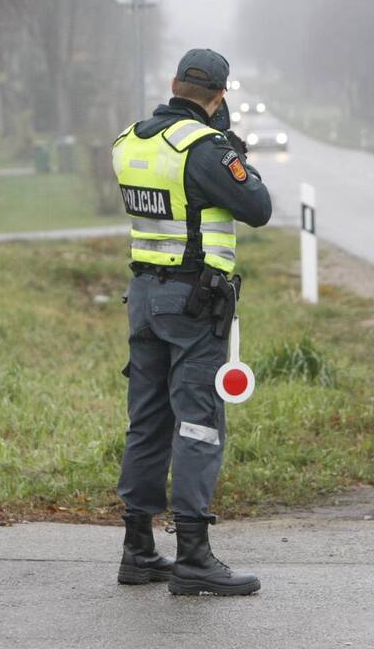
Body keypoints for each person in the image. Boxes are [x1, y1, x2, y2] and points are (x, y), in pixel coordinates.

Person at [111, 48, 272, 596]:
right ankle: (194, 556)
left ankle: (138, 550)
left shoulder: (131, 140)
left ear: (174, 83)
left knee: (147, 419)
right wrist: (227, 143)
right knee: (199, 421)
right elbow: (258, 206)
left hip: (143, 296)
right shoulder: (204, 149)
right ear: (219, 95)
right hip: (193, 303)